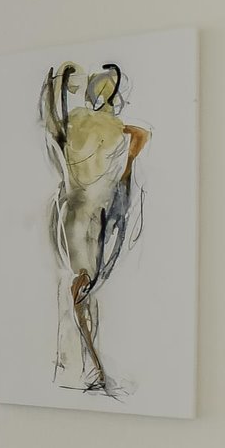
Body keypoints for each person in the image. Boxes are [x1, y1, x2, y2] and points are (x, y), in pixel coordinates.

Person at [40, 62, 147, 394]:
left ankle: (84, 366)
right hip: (95, 216)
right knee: (83, 288)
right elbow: (137, 149)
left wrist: (58, 81)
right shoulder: (122, 131)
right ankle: (88, 367)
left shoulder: (76, 124)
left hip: (76, 213)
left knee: (77, 287)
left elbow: (51, 122)